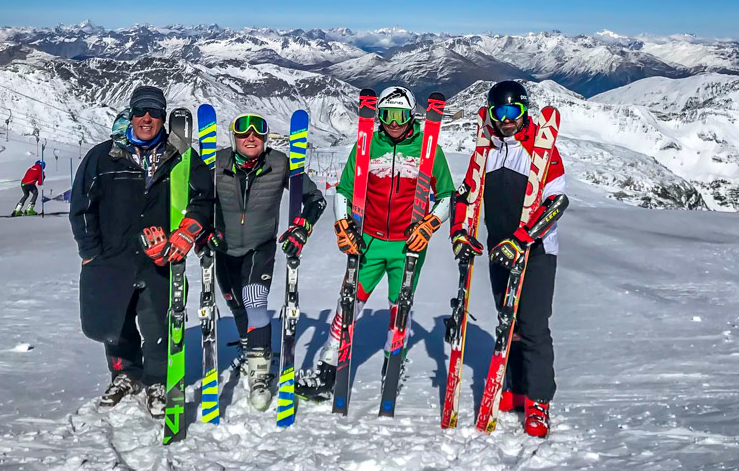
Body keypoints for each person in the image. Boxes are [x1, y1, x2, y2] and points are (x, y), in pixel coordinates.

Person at [295, 86, 455, 400]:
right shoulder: (366, 146)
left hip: (407, 244)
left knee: (400, 306)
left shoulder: (428, 149)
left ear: (411, 116)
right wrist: (343, 224)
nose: (394, 122)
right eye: (387, 115)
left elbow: (447, 196)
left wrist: (430, 224)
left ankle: (392, 364)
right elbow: (343, 190)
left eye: (401, 115)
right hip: (368, 241)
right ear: (378, 117)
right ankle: (329, 366)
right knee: (348, 302)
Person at [70, 85, 214, 418]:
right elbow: (82, 206)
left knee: (157, 324)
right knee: (115, 322)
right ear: (131, 114)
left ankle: (156, 381)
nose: (147, 119)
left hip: (160, 259)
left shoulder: (180, 158)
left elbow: (203, 201)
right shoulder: (103, 156)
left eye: (154, 113)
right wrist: (91, 252)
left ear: (163, 118)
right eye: (141, 112)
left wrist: (185, 234)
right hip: (112, 256)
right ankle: (124, 374)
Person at [449, 80, 568, 438]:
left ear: (524, 111)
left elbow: (556, 204)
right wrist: (460, 232)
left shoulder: (542, 151)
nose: (506, 120)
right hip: (499, 249)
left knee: (533, 326)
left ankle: (538, 402)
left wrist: (522, 240)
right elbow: (466, 195)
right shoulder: (484, 151)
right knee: (508, 323)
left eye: (512, 112)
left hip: (537, 252)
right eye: (498, 113)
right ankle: (514, 387)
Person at [204, 112, 326, 411]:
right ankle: (252, 351)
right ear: (233, 138)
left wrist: (302, 226)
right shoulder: (214, 165)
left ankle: (260, 374)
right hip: (223, 249)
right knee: (236, 306)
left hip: (260, 247)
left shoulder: (280, 164)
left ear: (265, 138)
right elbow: (193, 199)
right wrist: (202, 231)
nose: (250, 138)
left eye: (257, 134)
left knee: (255, 302)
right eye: (243, 134)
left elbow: (316, 198)